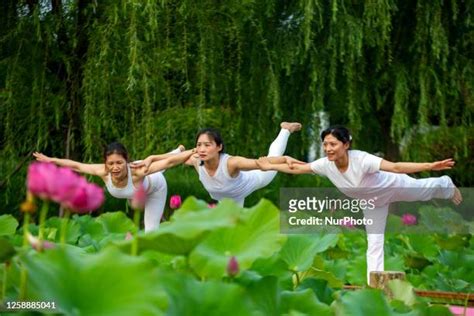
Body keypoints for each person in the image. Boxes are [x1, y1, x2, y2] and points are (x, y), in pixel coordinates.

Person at [256, 125, 463, 284]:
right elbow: (297, 169)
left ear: (346, 145)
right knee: (374, 243)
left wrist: (430, 165)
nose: (328, 149)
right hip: (372, 203)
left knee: (425, 191)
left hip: (394, 185)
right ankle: (375, 284)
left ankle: (445, 183)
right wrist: (268, 165)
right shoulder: (324, 165)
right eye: (325, 144)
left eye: (333, 144)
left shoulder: (362, 160)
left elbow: (397, 167)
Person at [33, 143, 194, 232]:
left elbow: (169, 163)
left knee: (151, 231)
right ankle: (177, 150)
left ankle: (178, 151)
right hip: (138, 184)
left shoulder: (137, 171)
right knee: (147, 165)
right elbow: (77, 166)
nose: (115, 167)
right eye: (111, 163)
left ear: (126, 161)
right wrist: (51, 160)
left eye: (119, 163)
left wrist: (193, 151)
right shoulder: (103, 172)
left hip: (155, 188)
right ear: (105, 163)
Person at [136, 122, 303, 207]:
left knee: (270, 162)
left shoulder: (231, 163)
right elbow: (172, 160)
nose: (202, 149)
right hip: (228, 199)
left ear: (219, 147)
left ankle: (285, 130)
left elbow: (260, 163)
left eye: (207, 145)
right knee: (232, 234)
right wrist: (151, 158)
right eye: (199, 144)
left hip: (253, 180)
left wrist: (283, 160)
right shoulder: (196, 160)